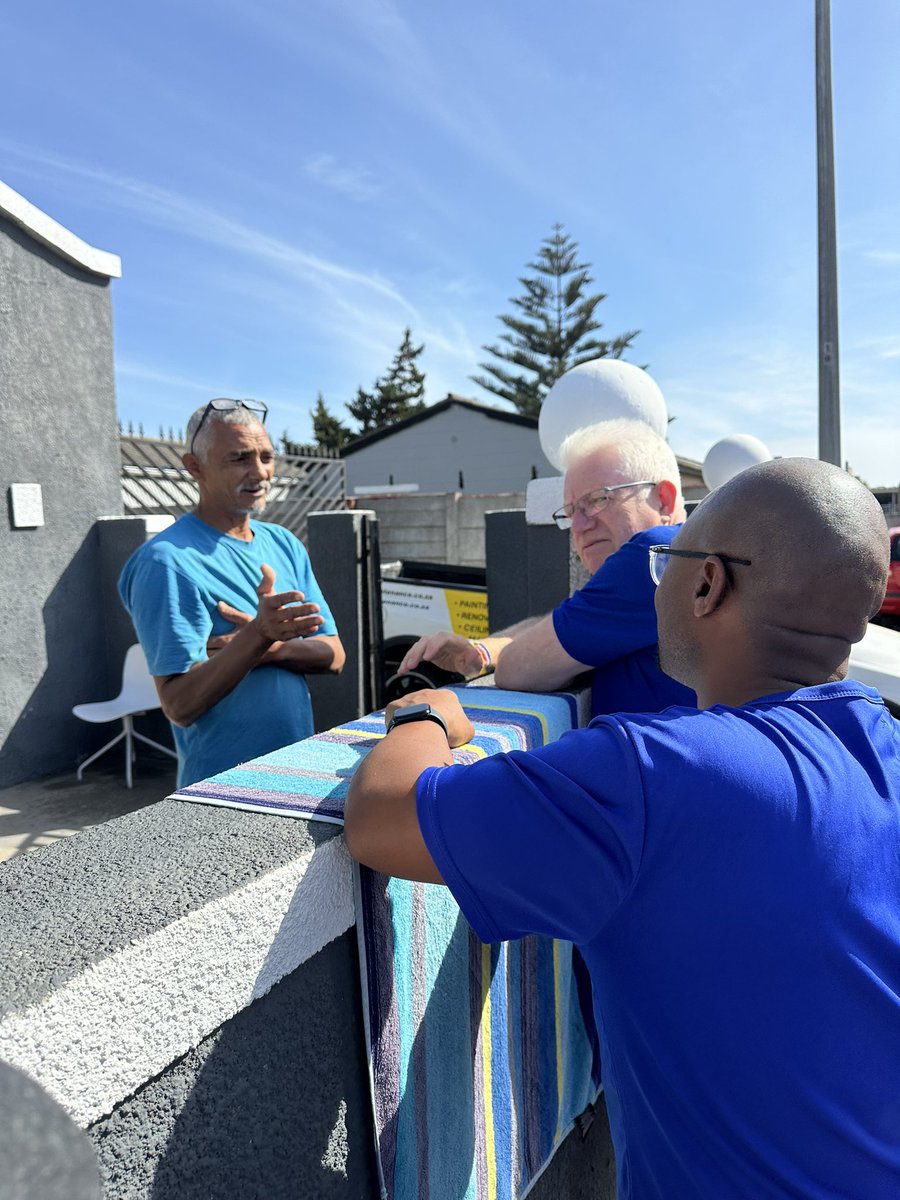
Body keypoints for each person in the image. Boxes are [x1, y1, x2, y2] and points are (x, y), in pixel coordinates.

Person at [344, 457, 900, 1199]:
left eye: (665, 563)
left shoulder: (651, 777)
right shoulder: (883, 749)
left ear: (708, 584)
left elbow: (381, 817)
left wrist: (427, 711)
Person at [398, 418, 694, 717]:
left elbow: (519, 670)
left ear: (664, 501)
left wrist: (500, 657)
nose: (577, 526)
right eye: (570, 512)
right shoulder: (690, 556)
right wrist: (482, 652)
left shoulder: (655, 554)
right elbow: (561, 623)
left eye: (597, 499)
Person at [119, 399, 345, 787]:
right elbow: (179, 704)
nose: (259, 472)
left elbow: (335, 655)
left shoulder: (284, 543)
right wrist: (260, 634)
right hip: (222, 788)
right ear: (195, 467)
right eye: (239, 458)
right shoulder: (166, 563)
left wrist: (266, 646)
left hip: (298, 770)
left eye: (266, 456)